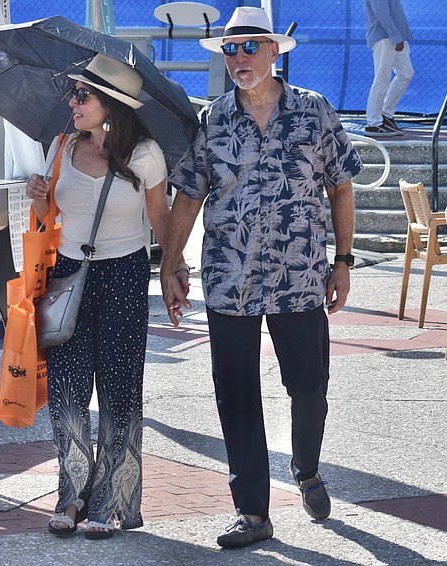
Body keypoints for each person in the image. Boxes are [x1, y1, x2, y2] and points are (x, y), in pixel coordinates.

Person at [159, 6, 363, 549]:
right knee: (236, 396)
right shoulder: (212, 120)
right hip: (230, 277)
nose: (239, 57)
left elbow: (341, 185)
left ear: (275, 51)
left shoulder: (314, 111)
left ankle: (306, 468)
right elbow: (188, 195)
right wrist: (170, 263)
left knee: (310, 387)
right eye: (230, 49)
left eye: (250, 46)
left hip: (300, 275)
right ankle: (252, 511)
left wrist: (344, 261)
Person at [25, 54, 188, 540]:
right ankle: (72, 494)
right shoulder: (61, 146)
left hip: (124, 275)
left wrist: (174, 269)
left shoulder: (146, 155)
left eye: (83, 95)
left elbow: (160, 220)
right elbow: (49, 217)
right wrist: (38, 194)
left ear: (111, 105)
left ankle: (111, 499)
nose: (72, 103)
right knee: (67, 388)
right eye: (73, 93)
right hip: (68, 276)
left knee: (119, 389)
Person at [363, 0, 414, 137]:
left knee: (406, 74)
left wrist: (399, 37)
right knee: (381, 80)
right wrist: (395, 36)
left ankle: (386, 115)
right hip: (386, 38)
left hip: (396, 38)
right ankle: (373, 124)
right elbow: (382, 13)